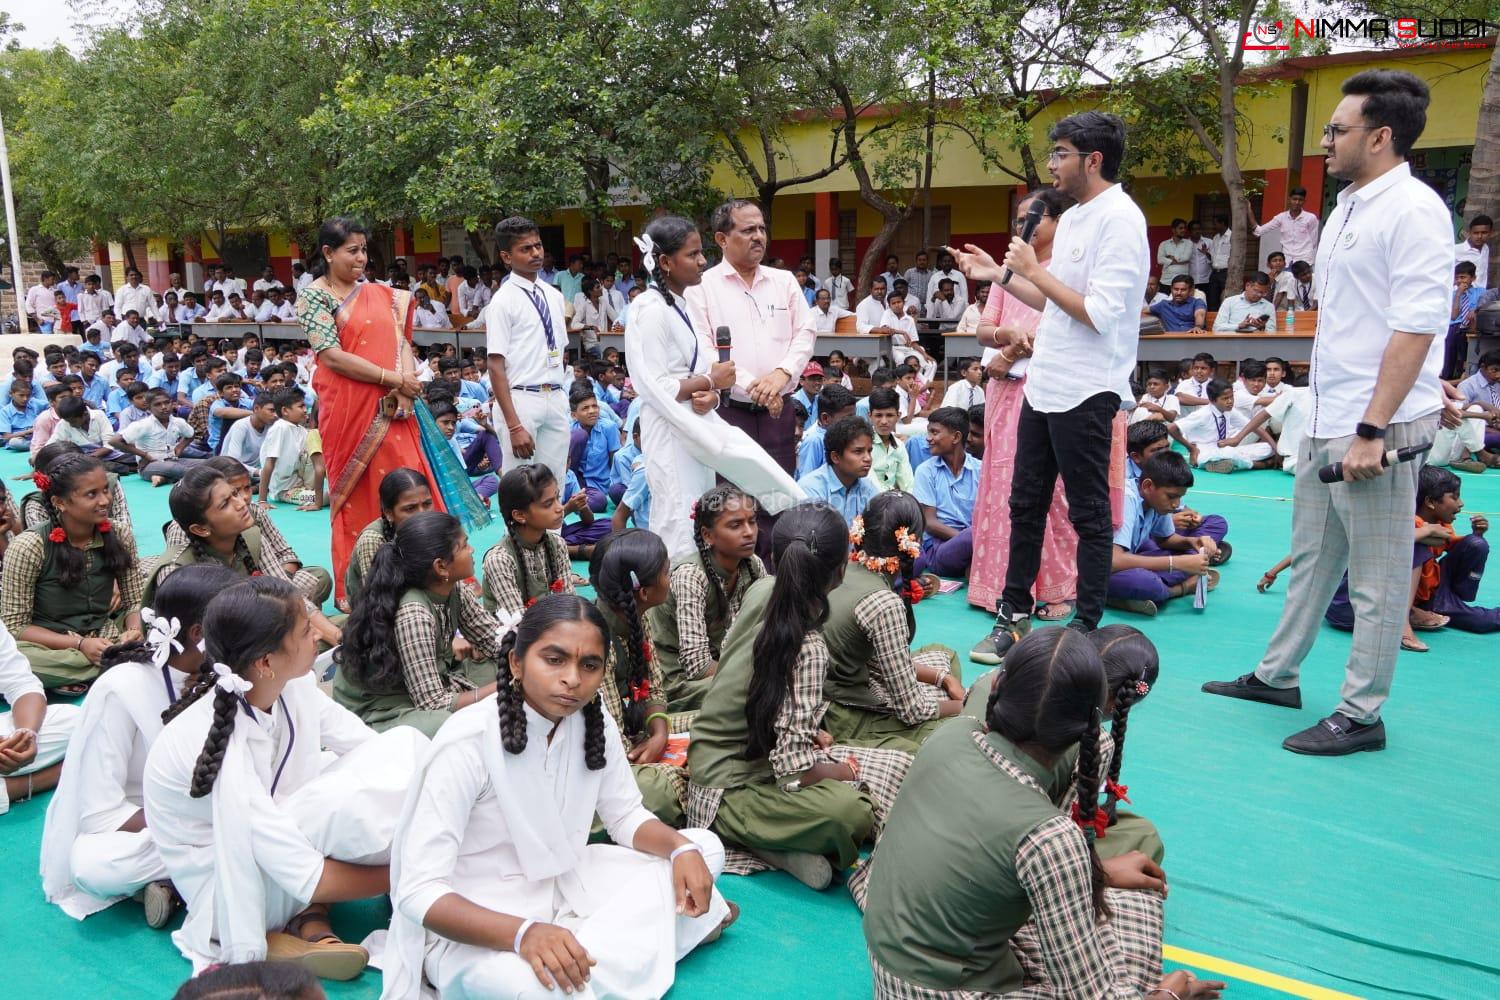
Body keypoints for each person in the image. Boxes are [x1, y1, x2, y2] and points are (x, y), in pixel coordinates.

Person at [1203, 69, 1453, 755]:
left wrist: (1375, 428)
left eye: (1337, 130)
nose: (1326, 141)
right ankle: (1276, 675)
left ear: (1380, 137)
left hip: (1374, 425)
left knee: (1374, 579)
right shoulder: (1347, 208)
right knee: (1312, 556)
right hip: (1326, 412)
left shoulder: (1416, 210)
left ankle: (1361, 714)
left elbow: (1414, 328)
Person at [377, 594, 732, 1000]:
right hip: (481, 929)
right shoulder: (468, 741)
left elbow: (626, 818)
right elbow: (418, 893)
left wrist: (679, 849)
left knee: (702, 848)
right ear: (516, 662)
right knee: (529, 989)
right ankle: (662, 936)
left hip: (567, 886)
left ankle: (602, 954)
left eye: (589, 665)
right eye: (554, 659)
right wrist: (524, 934)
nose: (572, 679)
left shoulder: (593, 723)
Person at [860, 628, 1221, 1000]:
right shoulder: (1050, 836)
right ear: (1091, 727)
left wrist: (1092, 875)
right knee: (1135, 914)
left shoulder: (951, 735)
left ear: (1000, 685)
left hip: (892, 976)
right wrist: (1169, 996)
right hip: (947, 990)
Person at [142, 577, 427, 976]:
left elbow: (374, 751)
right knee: (342, 802)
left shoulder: (292, 688)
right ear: (265, 662)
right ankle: (286, 930)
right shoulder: (216, 744)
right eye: (306, 630)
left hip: (278, 848)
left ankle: (303, 929)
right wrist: (411, 875)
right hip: (232, 892)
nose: (318, 635)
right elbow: (309, 878)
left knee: (405, 743)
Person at [954, 113, 1147, 660]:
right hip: (1044, 385)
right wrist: (1001, 276)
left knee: (1087, 514)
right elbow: (1054, 307)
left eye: (1060, 153)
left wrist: (1033, 272)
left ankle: (1083, 628)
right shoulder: (1081, 217)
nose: (1051, 165)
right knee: (1025, 503)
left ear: (1093, 160)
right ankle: (1011, 615)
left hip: (1088, 390)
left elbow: (1099, 315)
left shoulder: (1120, 221)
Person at [686, 503, 914, 890]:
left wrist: (806, 735)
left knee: (883, 768)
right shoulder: (809, 648)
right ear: (842, 569)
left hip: (721, 762)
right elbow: (793, 772)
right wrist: (843, 771)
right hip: (727, 789)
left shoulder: (761, 589)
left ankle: (777, 847)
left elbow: (746, 679)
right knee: (852, 811)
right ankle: (752, 835)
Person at [39, 565, 235, 924]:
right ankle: (215, 864)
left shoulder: (231, 673)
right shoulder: (122, 688)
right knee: (93, 864)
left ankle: (180, 881)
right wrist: (197, 820)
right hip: (148, 825)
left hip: (220, 811)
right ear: (198, 633)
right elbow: (100, 813)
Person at [629, 213, 804, 560]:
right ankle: (677, 598)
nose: (702, 261)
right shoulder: (648, 308)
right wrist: (712, 380)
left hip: (693, 423)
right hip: (669, 428)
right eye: (693, 255)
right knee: (678, 516)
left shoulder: (676, 303)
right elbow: (655, 386)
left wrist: (709, 394)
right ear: (665, 262)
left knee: (700, 510)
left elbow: (688, 374)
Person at [297, 217, 444, 606]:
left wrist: (407, 385)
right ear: (328, 254)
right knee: (360, 493)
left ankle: (424, 570)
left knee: (410, 485)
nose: (361, 258)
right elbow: (330, 356)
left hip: (397, 410)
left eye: (364, 250)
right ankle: (362, 587)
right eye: (352, 251)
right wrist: (393, 379)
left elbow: (403, 345)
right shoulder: (314, 296)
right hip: (350, 412)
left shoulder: (382, 295)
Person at [685, 201, 817, 561]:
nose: (758, 237)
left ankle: (777, 585)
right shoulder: (702, 287)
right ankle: (735, 586)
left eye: (761, 229)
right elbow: (705, 347)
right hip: (730, 413)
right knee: (733, 505)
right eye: (748, 230)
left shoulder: (784, 281)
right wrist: (755, 386)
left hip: (778, 412)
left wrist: (782, 374)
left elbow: (805, 333)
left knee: (777, 500)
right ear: (722, 238)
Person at [335, 512, 503, 737]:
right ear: (441, 566)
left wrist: (523, 661)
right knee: (451, 726)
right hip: (381, 709)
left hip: (428, 685)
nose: (472, 550)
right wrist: (503, 687)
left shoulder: (455, 588)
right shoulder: (414, 613)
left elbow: (493, 640)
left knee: (506, 667)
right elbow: (434, 704)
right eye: (464, 546)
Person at [821, 490, 963, 752]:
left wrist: (943, 678)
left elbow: (874, 658)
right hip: (842, 714)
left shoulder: (840, 568)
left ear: (860, 530)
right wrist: (963, 708)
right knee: (953, 734)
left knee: (945, 657)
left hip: (827, 695)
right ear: (915, 542)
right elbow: (911, 710)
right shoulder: (884, 603)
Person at [146, 466, 343, 648]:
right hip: (209, 657)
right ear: (200, 529)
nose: (241, 503)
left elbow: (290, 597)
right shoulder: (177, 570)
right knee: (305, 647)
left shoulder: (250, 537)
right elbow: (189, 645)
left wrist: (338, 638)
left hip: (250, 634)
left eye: (235, 494)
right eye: (225, 504)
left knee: (343, 630)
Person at [1, 453, 143, 692]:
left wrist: (134, 631)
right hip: (49, 645)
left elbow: (135, 599)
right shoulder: (29, 546)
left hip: (107, 634)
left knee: (166, 620)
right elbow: (16, 627)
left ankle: (101, 666)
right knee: (12, 660)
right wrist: (79, 643)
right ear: (60, 503)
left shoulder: (118, 533)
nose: (105, 500)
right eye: (92, 494)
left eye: (105, 490)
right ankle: (122, 663)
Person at [584, 529, 693, 825]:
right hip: (607, 760)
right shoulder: (595, 645)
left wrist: (659, 734)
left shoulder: (635, 614)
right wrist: (656, 752)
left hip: (635, 735)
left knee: (715, 724)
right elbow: (614, 746)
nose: (670, 580)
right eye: (666, 573)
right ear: (643, 592)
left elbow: (654, 687)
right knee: (665, 786)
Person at [646, 484, 766, 715]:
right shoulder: (691, 576)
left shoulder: (753, 565)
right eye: (735, 525)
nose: (749, 532)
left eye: (752, 521)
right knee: (758, 689)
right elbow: (697, 667)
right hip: (678, 683)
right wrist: (753, 673)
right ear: (707, 535)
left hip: (723, 668)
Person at [1106, 451, 1222, 616]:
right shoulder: (1127, 498)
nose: (1176, 505)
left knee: (1216, 525)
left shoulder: (1155, 502)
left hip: (1130, 558)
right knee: (1146, 583)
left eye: (1180, 498)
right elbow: (1114, 561)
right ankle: (1178, 588)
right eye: (1171, 497)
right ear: (1147, 486)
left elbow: (1165, 540)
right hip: (1100, 570)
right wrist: (1177, 563)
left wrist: (1192, 542)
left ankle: (1152, 588)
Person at [1408, 465, 1499, 632]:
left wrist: (1477, 535)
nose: (1461, 503)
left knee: (1476, 544)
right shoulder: (1410, 525)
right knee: (1482, 622)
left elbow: (1459, 546)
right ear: (1430, 502)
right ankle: (1433, 606)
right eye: (1454, 497)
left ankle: (1454, 598)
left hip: (1435, 584)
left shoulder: (1442, 524)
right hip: (1421, 595)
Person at [482, 465, 576, 620]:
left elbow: (569, 604)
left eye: (557, 498)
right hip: (514, 639)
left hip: (554, 629)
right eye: (548, 504)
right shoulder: (499, 560)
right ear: (519, 515)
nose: (560, 508)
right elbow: (519, 624)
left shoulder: (557, 544)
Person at [344, 467, 435, 604]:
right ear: (389, 513)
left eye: (427, 504)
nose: (422, 514)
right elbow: (377, 599)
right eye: (410, 508)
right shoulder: (373, 540)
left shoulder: (433, 527)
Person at [912, 407, 981, 578]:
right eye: (928, 432)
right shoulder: (925, 471)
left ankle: (973, 565)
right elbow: (929, 523)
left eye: (934, 433)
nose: (928, 439)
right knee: (977, 533)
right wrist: (971, 542)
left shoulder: (980, 469)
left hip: (974, 543)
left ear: (956, 437)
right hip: (939, 550)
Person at [1171, 379, 1277, 473]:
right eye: (1225, 398)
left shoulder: (1229, 411)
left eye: (1231, 397)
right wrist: (1191, 449)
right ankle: (1259, 465)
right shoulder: (1202, 414)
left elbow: (1255, 427)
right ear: (1212, 400)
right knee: (1230, 453)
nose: (1230, 401)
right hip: (1204, 452)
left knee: (1267, 447)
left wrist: (1277, 451)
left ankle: (1229, 464)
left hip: (1223, 449)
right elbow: (1171, 428)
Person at [796, 415, 879, 526]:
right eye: (858, 452)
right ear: (835, 457)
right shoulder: (811, 489)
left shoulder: (867, 487)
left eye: (869, 451)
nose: (868, 458)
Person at [796, 383, 858, 477]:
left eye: (854, 417)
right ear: (825, 419)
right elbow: (806, 479)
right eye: (847, 418)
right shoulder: (814, 441)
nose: (852, 422)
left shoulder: (845, 437)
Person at [1255, 185, 1320, 265]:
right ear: (1289, 199)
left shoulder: (1311, 218)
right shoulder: (1281, 217)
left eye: (1300, 200)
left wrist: (1305, 252)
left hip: (1304, 260)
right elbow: (1259, 231)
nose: (1297, 202)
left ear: (1304, 201)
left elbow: (1313, 241)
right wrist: (1249, 210)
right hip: (1287, 260)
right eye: (1294, 199)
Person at [867, 387, 916, 493]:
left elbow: (908, 484)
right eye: (878, 415)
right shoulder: (863, 446)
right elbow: (869, 483)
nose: (884, 421)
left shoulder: (899, 446)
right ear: (870, 416)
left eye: (889, 415)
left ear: (898, 416)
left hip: (894, 502)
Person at [1444, 261, 1483, 379]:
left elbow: (1483, 305)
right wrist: (1459, 294)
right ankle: (1447, 375)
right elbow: (1454, 316)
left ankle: (1466, 373)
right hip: (1455, 327)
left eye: (1463, 277)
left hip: (1472, 326)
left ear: (1473, 278)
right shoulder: (1452, 294)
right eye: (1457, 278)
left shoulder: (1481, 292)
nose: (1460, 281)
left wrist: (1475, 310)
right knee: (1452, 338)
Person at [1455, 213, 1492, 289]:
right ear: (1470, 232)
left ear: (1490, 233)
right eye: (1476, 233)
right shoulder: (1456, 250)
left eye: (1484, 233)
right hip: (1461, 296)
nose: (1479, 236)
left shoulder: (1485, 249)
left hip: (1480, 295)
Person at [1156, 218, 1194, 288]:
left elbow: (1186, 258)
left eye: (1184, 228)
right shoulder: (1164, 244)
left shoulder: (1189, 243)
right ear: (1173, 230)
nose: (1183, 230)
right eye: (1180, 228)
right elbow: (1160, 260)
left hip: (1182, 281)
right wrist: (1179, 261)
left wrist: (1169, 258)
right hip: (1166, 280)